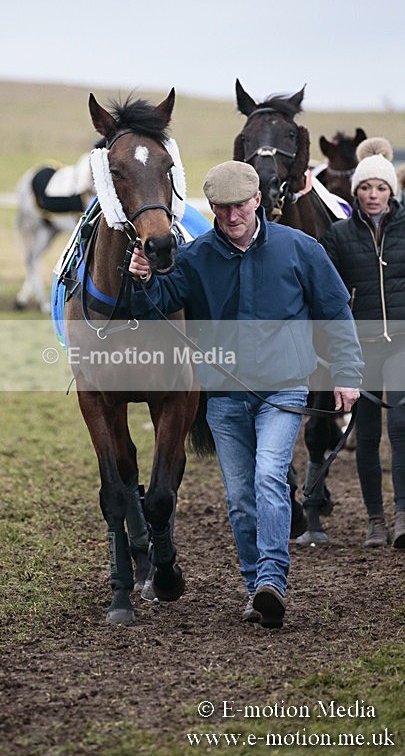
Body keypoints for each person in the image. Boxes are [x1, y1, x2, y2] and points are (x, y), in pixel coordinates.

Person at [129, 160, 363, 628]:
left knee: (269, 477)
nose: (231, 216)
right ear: (211, 207)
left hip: (283, 389)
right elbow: (156, 307)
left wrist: (348, 373)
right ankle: (256, 587)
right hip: (225, 398)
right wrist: (143, 280)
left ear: (257, 200)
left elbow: (336, 310)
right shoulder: (197, 258)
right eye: (221, 208)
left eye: (239, 206)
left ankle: (272, 579)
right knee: (239, 498)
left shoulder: (301, 249)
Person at [320, 138, 405, 549]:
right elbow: (331, 297)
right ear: (355, 192)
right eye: (367, 188)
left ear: (392, 192)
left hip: (402, 344)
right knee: (366, 435)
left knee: (401, 424)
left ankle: (403, 514)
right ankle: (375, 520)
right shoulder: (337, 236)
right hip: (362, 346)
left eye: (381, 188)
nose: (374, 196)